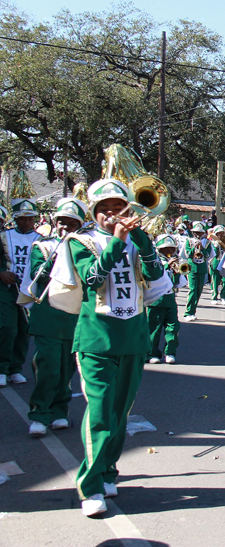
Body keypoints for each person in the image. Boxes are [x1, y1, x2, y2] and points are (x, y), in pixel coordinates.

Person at [52, 178, 166, 517]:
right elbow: (91, 279)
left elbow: (156, 274)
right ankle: (90, 485)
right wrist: (117, 242)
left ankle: (107, 471)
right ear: (94, 213)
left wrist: (142, 239)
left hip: (133, 339)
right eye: (105, 210)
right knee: (100, 413)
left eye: (119, 208)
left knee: (120, 414)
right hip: (95, 340)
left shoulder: (138, 240)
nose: (113, 215)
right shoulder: (80, 241)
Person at [24, 198, 86, 436]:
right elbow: (38, 274)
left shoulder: (85, 247)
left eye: (71, 223)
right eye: (61, 222)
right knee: (48, 364)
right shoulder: (43, 246)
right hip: (48, 315)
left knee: (66, 367)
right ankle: (40, 414)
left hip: (75, 317)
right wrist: (60, 252)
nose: (65, 227)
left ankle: (60, 411)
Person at [0, 193, 41, 387]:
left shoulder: (42, 239)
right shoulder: (3, 236)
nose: (27, 222)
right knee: (7, 328)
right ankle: (2, 368)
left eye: (30, 218)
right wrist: (0, 272)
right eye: (23, 218)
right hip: (7, 288)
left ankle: (16, 368)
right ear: (16, 219)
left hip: (29, 290)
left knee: (24, 330)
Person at [147, 235, 188, 364]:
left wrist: (176, 274)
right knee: (154, 329)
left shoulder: (174, 263)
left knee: (173, 327)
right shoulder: (154, 261)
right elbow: (152, 275)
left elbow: (176, 284)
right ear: (159, 250)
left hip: (170, 299)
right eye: (166, 249)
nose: (169, 252)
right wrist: (166, 266)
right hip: (156, 300)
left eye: (171, 249)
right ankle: (152, 354)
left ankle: (170, 352)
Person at [181, 221, 213, 321]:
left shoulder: (207, 242)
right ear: (193, 232)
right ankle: (188, 312)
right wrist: (194, 247)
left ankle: (193, 311)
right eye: (196, 232)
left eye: (200, 233)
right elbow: (187, 254)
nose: (198, 234)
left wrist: (202, 248)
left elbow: (208, 256)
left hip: (202, 269)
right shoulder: (189, 241)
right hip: (192, 268)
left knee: (199, 291)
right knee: (193, 290)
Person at [208, 225, 225, 305]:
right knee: (215, 280)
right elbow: (213, 254)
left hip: (224, 262)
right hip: (216, 262)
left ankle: (223, 296)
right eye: (219, 233)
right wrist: (216, 247)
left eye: (222, 233)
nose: (221, 235)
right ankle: (214, 296)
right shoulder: (212, 242)